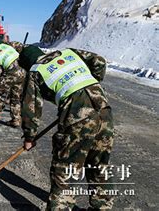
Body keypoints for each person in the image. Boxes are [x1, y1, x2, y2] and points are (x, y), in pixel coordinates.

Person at [21, 47, 114, 210]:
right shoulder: (68, 52)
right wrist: (92, 81)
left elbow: (31, 109)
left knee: (64, 167)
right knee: (99, 163)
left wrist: (29, 137)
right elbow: (99, 61)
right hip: (103, 109)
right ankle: (103, 206)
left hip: (78, 116)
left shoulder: (35, 71)